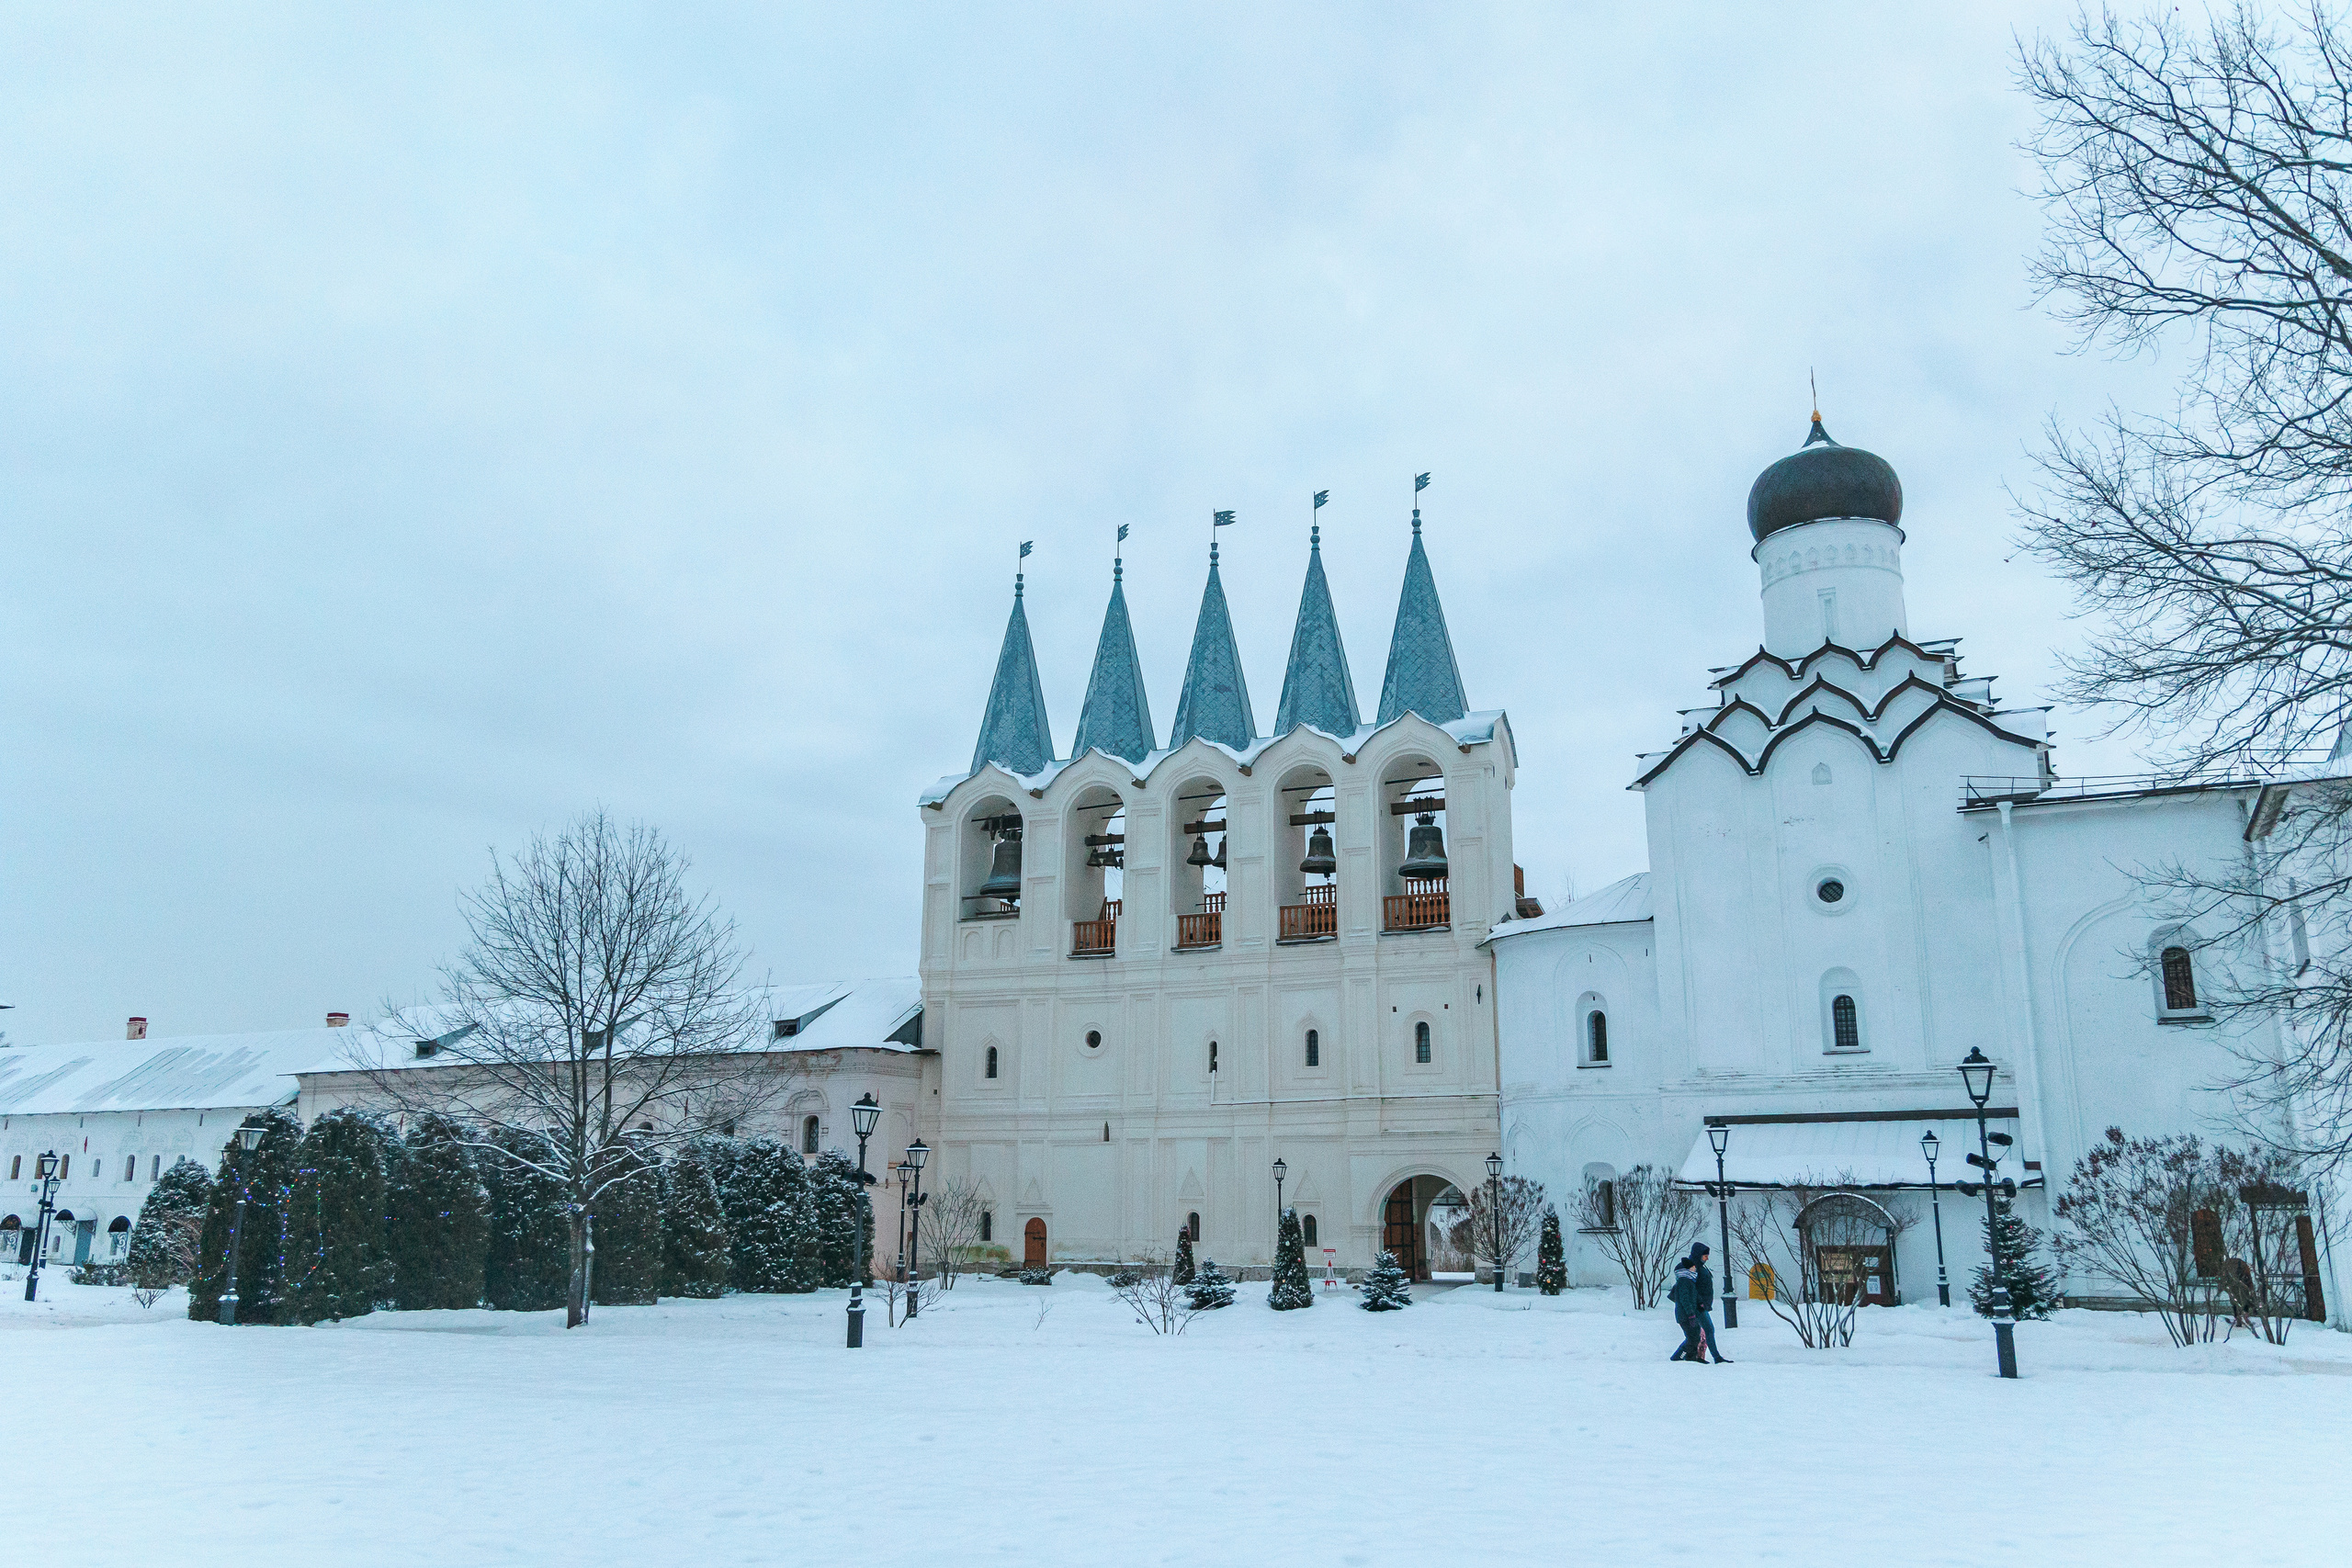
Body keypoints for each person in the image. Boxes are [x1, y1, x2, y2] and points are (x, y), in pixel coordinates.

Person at [1686, 1241, 1733, 1364]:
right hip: (1699, 1306)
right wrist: (1700, 1303)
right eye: (1704, 1255)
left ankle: (1684, 1355)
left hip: (1701, 1305)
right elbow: (1692, 1288)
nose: (1707, 1258)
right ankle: (1716, 1357)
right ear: (1698, 1255)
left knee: (1697, 1333)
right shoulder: (1694, 1268)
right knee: (1708, 1329)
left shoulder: (1699, 1266)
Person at [1667, 1254, 1705, 1362]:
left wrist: (1700, 1303)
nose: (1695, 1268)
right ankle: (1684, 1356)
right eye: (1693, 1267)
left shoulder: (1689, 1281)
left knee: (1695, 1335)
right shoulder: (1684, 1281)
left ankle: (1691, 1356)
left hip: (1688, 1314)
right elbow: (1685, 1299)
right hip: (1685, 1315)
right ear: (1688, 1269)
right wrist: (1690, 1314)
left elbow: (1694, 1295)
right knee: (1692, 1337)